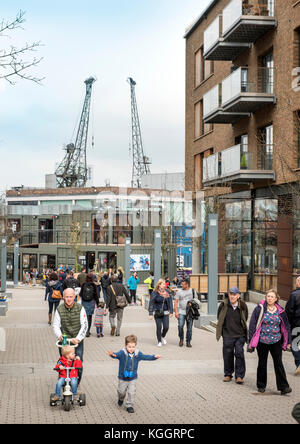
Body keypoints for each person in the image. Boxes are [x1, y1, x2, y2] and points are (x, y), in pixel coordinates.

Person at [249, 289, 292, 395]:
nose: (269, 298)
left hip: (276, 341)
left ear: (276, 298)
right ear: (266, 297)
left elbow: (286, 327)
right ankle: (261, 386)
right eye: (268, 296)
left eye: (272, 297)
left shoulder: (280, 311)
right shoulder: (259, 309)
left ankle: (284, 387)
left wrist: (288, 341)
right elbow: (252, 324)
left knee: (278, 364)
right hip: (262, 341)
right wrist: (251, 339)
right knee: (262, 363)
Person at [108, 334, 161, 414]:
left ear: (135, 346)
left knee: (131, 392)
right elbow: (116, 355)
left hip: (133, 378)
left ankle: (129, 405)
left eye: (133, 347)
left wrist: (154, 357)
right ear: (126, 346)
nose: (131, 349)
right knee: (121, 391)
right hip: (122, 377)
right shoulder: (122, 353)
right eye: (129, 347)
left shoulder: (137, 354)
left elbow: (145, 357)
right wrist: (113, 355)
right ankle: (121, 398)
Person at [53, 288, 88, 382]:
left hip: (77, 341)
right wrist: (59, 335)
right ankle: (63, 381)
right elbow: (56, 325)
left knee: (78, 362)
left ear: (74, 297)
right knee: (64, 362)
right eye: (67, 297)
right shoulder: (59, 309)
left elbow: (84, 325)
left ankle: (76, 383)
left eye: (71, 297)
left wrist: (78, 338)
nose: (69, 299)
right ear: (63, 297)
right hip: (64, 341)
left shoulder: (80, 308)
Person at [216, 287, 248, 384]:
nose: (232, 296)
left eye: (234, 294)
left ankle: (239, 376)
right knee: (227, 355)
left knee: (239, 353)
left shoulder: (243, 305)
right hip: (227, 334)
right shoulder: (223, 305)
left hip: (240, 335)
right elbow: (219, 317)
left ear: (238, 296)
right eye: (230, 294)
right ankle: (228, 374)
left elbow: (245, 318)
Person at [174, 278, 200, 348]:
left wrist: (192, 303)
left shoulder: (192, 291)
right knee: (180, 326)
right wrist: (176, 312)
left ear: (187, 284)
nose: (181, 285)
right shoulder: (179, 292)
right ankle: (181, 339)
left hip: (190, 312)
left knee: (189, 328)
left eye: (183, 284)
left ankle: (188, 341)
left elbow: (196, 300)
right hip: (181, 312)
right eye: (181, 284)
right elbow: (176, 302)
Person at [149, 279, 173, 347]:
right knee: (159, 327)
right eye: (163, 284)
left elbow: (170, 302)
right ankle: (159, 341)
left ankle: (163, 336)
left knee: (166, 327)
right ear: (159, 285)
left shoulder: (167, 292)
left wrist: (171, 311)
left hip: (165, 312)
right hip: (157, 312)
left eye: (165, 284)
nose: (164, 285)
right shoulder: (155, 292)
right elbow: (151, 303)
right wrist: (150, 313)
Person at [285, 276, 300, 375]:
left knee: (294, 344)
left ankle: (299, 363)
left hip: (296, 325)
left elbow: (289, 312)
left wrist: (287, 326)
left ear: (298, 283)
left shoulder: (294, 295)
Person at [80, 273, 99, 337]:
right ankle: (88, 331)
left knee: (84, 317)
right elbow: (96, 295)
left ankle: (84, 330)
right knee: (89, 317)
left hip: (84, 302)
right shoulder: (93, 285)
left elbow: (80, 294)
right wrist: (98, 303)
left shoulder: (83, 284)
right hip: (91, 302)